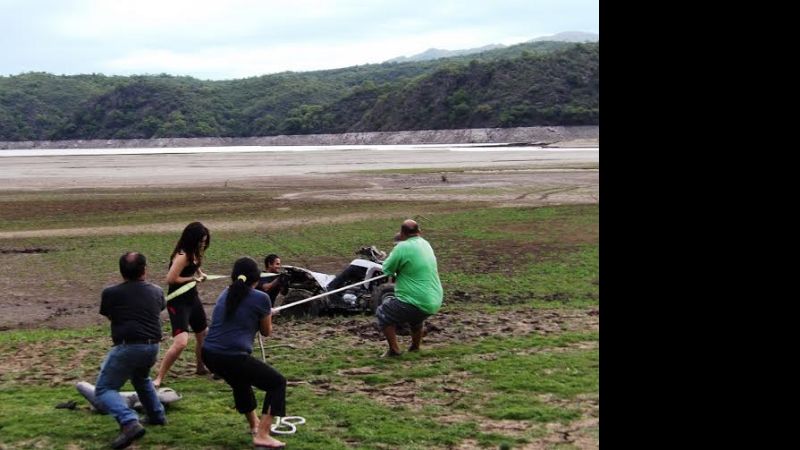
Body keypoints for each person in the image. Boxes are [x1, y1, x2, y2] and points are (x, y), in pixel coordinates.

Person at [202, 257, 287, 449]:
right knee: (277, 383)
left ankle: (255, 425)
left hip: (209, 354)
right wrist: (268, 314)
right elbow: (266, 332)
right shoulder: (261, 298)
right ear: (256, 278)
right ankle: (263, 435)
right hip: (231, 356)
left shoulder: (226, 292)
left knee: (240, 382)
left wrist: (262, 313)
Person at [94, 252, 167, 449]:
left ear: (121, 271)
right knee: (141, 378)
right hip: (152, 347)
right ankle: (156, 415)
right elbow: (157, 310)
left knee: (104, 389)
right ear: (145, 270)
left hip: (128, 347)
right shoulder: (157, 291)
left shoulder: (110, 293)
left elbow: (111, 316)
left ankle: (129, 422)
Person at [153, 221, 211, 388]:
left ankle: (200, 367)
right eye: (201, 241)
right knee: (181, 342)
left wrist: (200, 274)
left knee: (203, 334)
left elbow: (195, 267)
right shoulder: (182, 256)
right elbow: (170, 279)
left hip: (193, 299)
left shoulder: (195, 253)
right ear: (192, 239)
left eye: (205, 241)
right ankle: (159, 377)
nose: (203, 244)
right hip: (178, 302)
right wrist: (192, 279)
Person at [376, 219, 443, 357]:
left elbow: (387, 269)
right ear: (419, 232)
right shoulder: (425, 244)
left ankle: (394, 350)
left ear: (402, 234)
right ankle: (415, 347)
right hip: (434, 299)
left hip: (415, 300)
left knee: (383, 312)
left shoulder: (401, 247)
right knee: (416, 317)